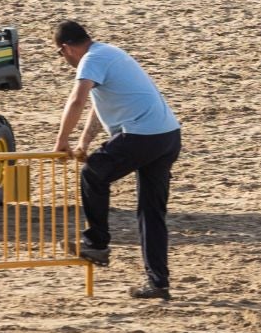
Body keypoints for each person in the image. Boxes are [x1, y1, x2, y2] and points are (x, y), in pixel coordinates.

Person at [52, 21, 181, 300]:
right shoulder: (108, 53)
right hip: (167, 136)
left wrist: (62, 140)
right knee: (151, 213)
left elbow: (77, 100)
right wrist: (83, 142)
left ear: (66, 49)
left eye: (61, 56)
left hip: (143, 135)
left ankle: (97, 242)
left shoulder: (91, 59)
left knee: (92, 173)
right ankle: (158, 283)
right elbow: (97, 108)